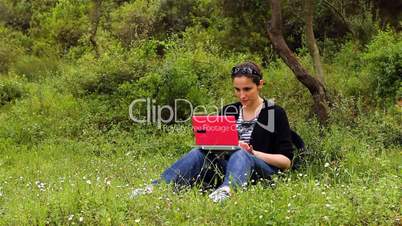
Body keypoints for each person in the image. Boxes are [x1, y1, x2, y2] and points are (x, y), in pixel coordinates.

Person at [131, 61, 294, 202]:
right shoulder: (229, 110)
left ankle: (227, 191)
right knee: (199, 152)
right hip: (230, 167)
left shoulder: (275, 112)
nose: (241, 95)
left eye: (247, 89)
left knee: (241, 153)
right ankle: (156, 189)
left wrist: (252, 153)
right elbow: (218, 145)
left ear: (260, 85)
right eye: (237, 89)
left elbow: (286, 162)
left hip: (263, 171)